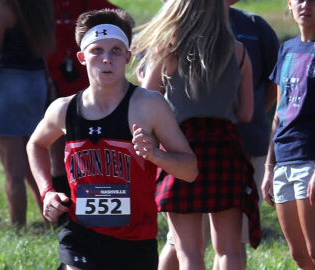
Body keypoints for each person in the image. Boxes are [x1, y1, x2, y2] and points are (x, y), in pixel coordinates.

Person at [27, 9, 198, 270]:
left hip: (135, 241)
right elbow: (36, 144)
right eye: (97, 51)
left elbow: (190, 170)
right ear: (82, 58)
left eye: (116, 50)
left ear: (128, 57)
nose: (107, 59)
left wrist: (156, 154)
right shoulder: (63, 109)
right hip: (79, 236)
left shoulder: (148, 105)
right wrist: (47, 192)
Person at [134, 0, 258, 269]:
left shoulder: (165, 49)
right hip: (226, 150)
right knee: (229, 250)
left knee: (189, 252)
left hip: (180, 149)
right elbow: (247, 113)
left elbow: (146, 101)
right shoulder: (238, 51)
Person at [0, 0, 55, 227]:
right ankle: (50, 221)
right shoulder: (42, 7)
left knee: (12, 171)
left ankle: (18, 227)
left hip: (8, 85)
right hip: (36, 83)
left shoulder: (5, 9)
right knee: (35, 164)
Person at [261, 0, 315, 268]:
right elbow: (280, 112)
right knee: (298, 254)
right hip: (284, 160)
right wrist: (269, 167)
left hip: (311, 160)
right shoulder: (287, 49)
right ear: (290, 4)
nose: (306, 5)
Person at [47, 0, 119, 201]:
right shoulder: (47, 5)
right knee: (57, 151)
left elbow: (122, 21)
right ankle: (63, 209)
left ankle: (96, 202)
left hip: (90, 85)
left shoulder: (94, 4)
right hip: (54, 81)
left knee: (92, 152)